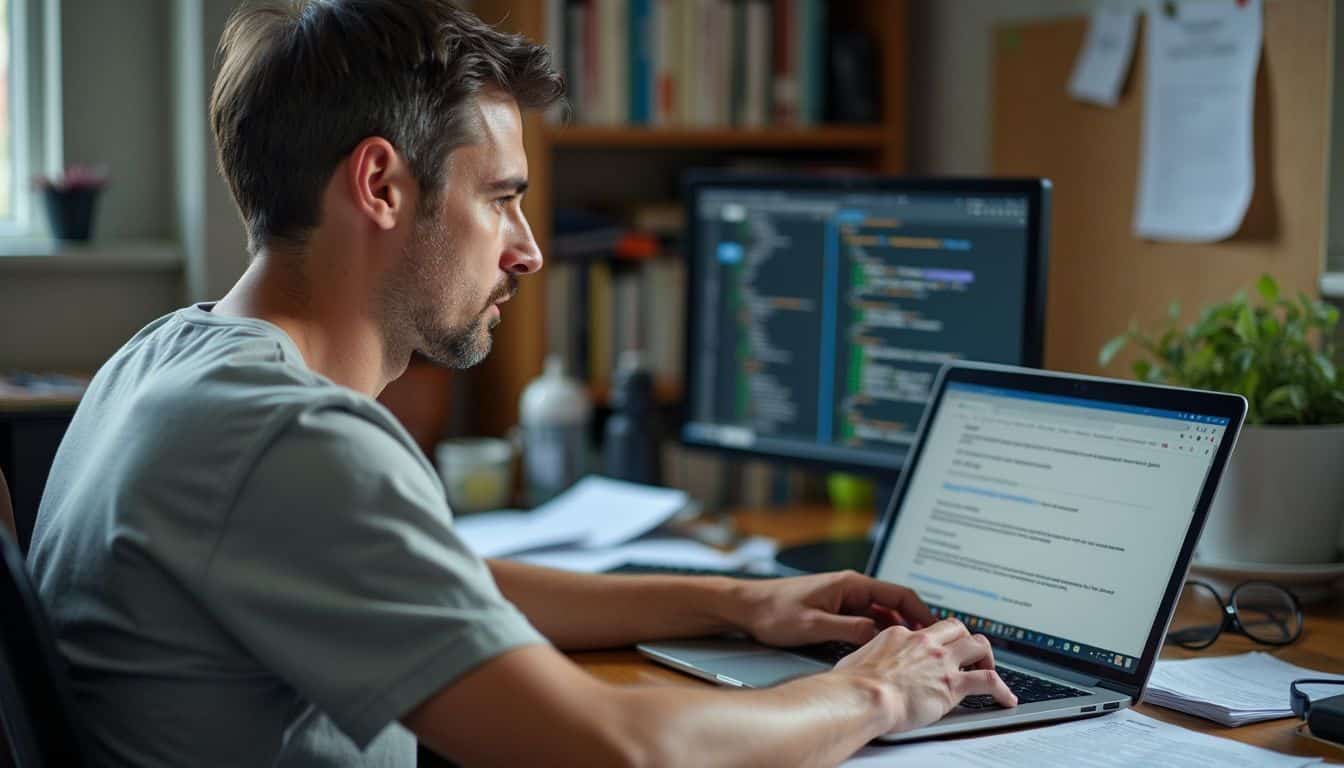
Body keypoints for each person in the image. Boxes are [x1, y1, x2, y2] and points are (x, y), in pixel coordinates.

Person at [27, 2, 1016, 766]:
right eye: (500, 199)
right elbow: (613, 749)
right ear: (380, 186)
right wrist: (880, 691)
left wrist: (740, 602)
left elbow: (431, 589)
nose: (531, 252)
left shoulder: (168, 355)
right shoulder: (292, 441)